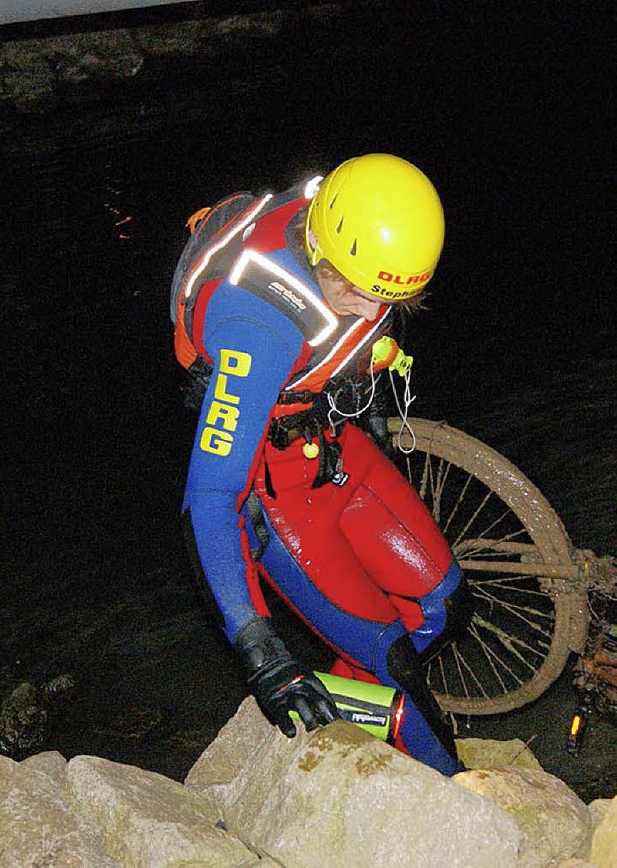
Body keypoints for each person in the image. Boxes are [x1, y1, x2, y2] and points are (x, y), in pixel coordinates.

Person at [170, 153, 473, 776]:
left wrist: (372, 417)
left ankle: (346, 690)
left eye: (390, 300)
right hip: (277, 497)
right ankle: (438, 776)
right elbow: (208, 501)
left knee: (445, 605)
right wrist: (264, 656)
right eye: (355, 295)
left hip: (335, 449)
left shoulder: (358, 237)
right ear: (318, 253)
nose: (368, 313)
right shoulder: (259, 325)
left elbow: (358, 345)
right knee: (400, 675)